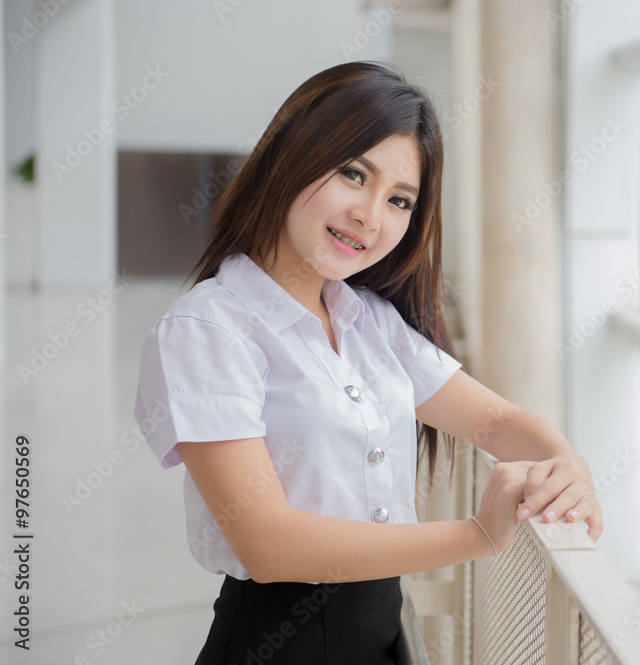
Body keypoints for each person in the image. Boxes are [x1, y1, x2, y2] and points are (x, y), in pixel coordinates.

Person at [132, 60, 603, 665]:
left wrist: (568, 464)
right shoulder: (208, 330)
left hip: (383, 632)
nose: (370, 216)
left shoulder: (370, 320)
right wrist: (477, 535)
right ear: (289, 156)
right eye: (353, 174)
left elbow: (499, 424)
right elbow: (266, 545)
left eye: (400, 199)